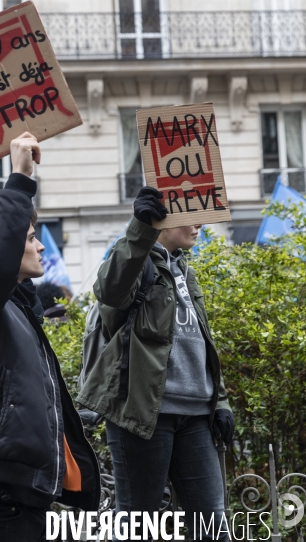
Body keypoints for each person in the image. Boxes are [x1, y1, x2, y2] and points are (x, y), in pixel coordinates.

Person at [0, 132, 99, 542]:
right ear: (1, 247)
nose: (41, 247)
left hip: (24, 497)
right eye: (29, 238)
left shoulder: (20, 310)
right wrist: (19, 180)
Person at [77, 186, 234, 541]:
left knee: (214, 528)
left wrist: (219, 400)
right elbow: (111, 290)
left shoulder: (184, 269)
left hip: (196, 416)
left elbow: (201, 342)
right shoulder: (137, 262)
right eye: (190, 215)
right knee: (136, 526)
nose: (199, 224)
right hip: (145, 414)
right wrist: (139, 227)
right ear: (163, 220)